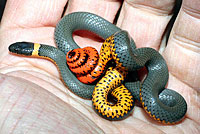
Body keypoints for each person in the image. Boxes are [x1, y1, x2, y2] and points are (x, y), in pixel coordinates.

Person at [0, 0, 199, 133]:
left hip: (130, 60)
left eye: (20, 50)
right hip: (120, 71)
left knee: (127, 53)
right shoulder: (60, 46)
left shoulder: (139, 61)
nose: (18, 50)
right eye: (20, 50)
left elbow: (128, 55)